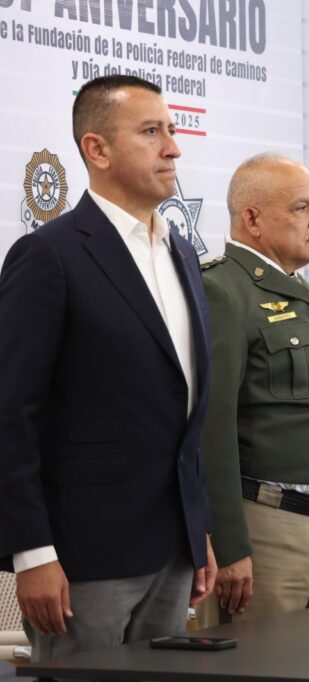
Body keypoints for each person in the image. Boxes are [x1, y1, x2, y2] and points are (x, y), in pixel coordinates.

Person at [0, 75, 216, 660]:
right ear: (97, 149)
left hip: (174, 549)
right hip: (84, 557)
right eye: (151, 132)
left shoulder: (182, 253)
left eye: (172, 130)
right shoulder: (49, 255)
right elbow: (11, 414)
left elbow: (183, 407)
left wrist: (198, 529)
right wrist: (32, 552)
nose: (173, 148)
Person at [199, 154, 309, 623]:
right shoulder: (224, 290)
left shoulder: (304, 296)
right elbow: (212, 428)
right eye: (301, 208)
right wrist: (229, 544)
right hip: (266, 529)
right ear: (252, 219)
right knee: (262, 660)